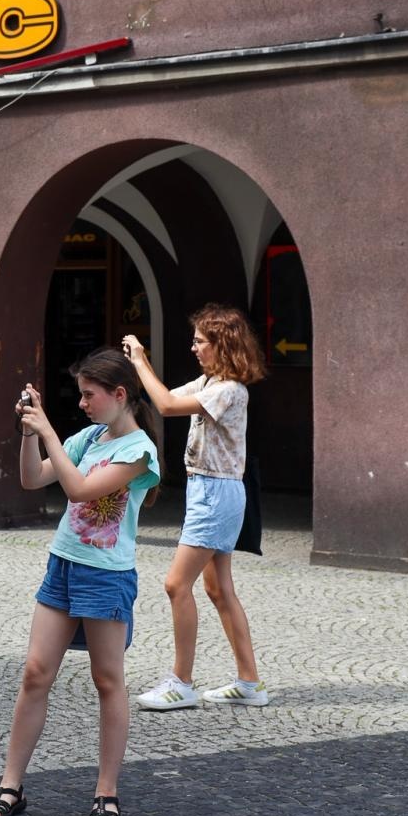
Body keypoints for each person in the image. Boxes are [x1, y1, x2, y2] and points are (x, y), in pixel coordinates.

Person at [0, 349, 162, 816]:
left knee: (108, 682)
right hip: (63, 566)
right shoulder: (90, 437)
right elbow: (31, 478)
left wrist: (48, 432)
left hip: (106, 575)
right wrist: (28, 432)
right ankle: (10, 786)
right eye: (80, 394)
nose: (82, 403)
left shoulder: (138, 451)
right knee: (36, 673)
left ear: (119, 395)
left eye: (89, 394)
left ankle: (106, 792)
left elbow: (81, 490)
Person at [122, 304, 270, 711]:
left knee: (175, 584)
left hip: (215, 494)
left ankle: (181, 682)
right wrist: (141, 367)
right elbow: (165, 397)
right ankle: (249, 683)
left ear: (221, 345)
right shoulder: (211, 382)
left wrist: (139, 360)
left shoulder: (229, 391)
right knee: (218, 589)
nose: (194, 347)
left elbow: (167, 408)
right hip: (210, 490)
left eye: (200, 341)